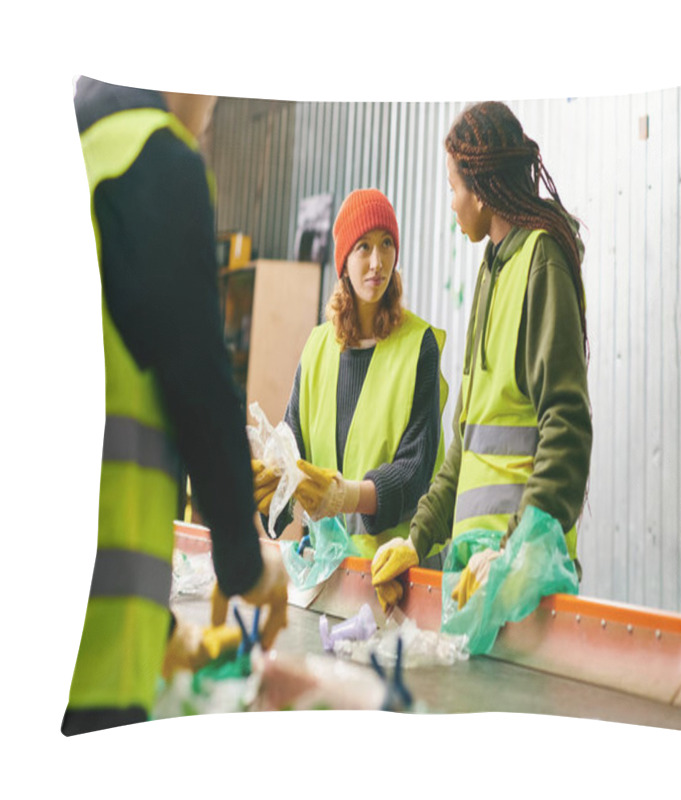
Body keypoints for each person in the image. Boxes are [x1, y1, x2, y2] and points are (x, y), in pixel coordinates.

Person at [62, 77, 288, 736]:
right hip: (93, 654)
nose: (210, 114)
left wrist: (164, 629)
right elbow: (197, 376)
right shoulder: (152, 155)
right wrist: (246, 563)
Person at [371, 101, 592, 611]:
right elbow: (465, 444)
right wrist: (418, 537)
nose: (452, 204)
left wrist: (517, 551)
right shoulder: (492, 270)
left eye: (454, 189)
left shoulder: (542, 261)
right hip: (474, 575)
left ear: (483, 189)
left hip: (521, 579)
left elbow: (567, 423)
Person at [252, 189, 447, 572]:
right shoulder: (318, 346)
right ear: (343, 260)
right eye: (363, 247)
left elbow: (415, 471)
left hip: (399, 573)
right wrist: (272, 496)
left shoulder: (418, 346)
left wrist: (345, 496)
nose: (377, 262)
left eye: (386, 244)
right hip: (330, 573)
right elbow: (293, 450)